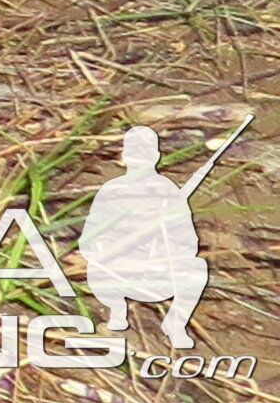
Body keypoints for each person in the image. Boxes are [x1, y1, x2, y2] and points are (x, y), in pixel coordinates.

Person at [78, 125, 212, 350]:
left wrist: (164, 249)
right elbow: (89, 239)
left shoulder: (168, 191)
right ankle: (117, 311)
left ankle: (176, 324)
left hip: (156, 272)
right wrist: (114, 248)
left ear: (155, 156)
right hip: (116, 272)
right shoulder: (112, 189)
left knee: (197, 267)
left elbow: (188, 241)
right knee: (94, 267)